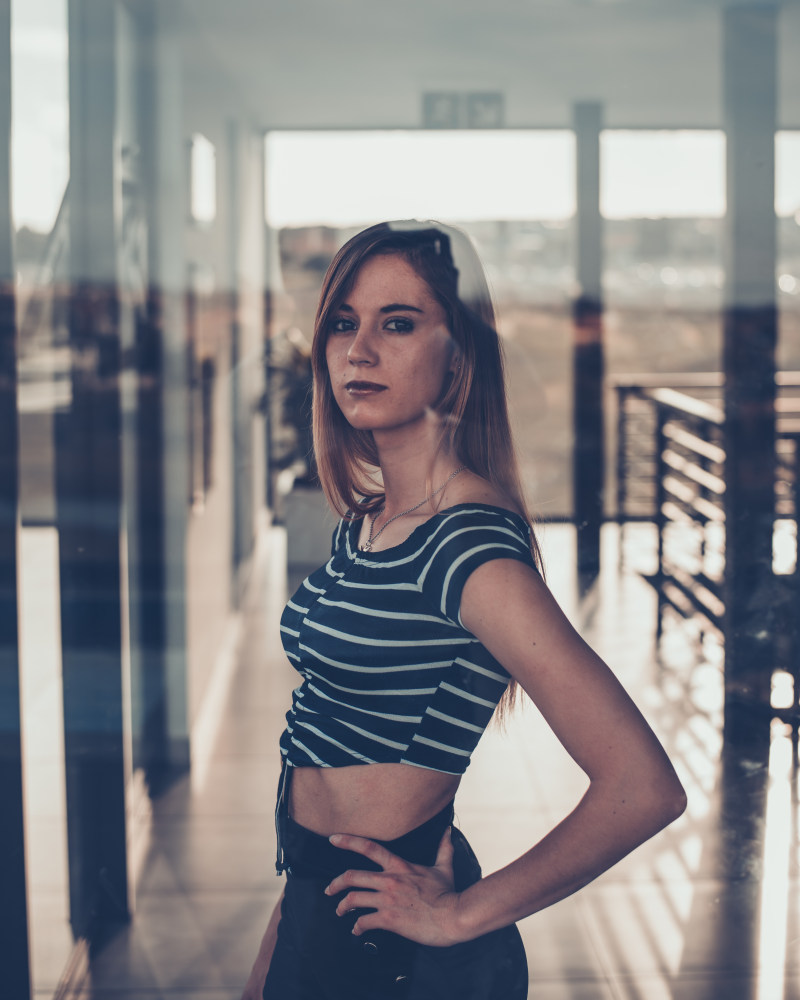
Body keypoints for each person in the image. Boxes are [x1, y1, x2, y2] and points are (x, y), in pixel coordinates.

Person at [242, 221, 686, 1000]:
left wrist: (457, 917)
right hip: (319, 907)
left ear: (459, 358)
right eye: (344, 322)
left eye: (399, 322)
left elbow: (642, 787)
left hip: (398, 955)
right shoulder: (370, 522)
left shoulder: (465, 549)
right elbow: (325, 744)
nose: (359, 349)